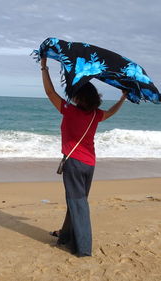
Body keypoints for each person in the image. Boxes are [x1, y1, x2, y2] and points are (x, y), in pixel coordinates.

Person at [40, 57, 127, 256]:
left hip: (74, 164)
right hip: (89, 164)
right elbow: (111, 112)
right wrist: (122, 98)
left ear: (80, 98)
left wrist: (44, 67)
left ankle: (83, 248)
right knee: (76, 201)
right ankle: (65, 237)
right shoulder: (96, 115)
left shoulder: (69, 111)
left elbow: (49, 92)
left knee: (78, 203)